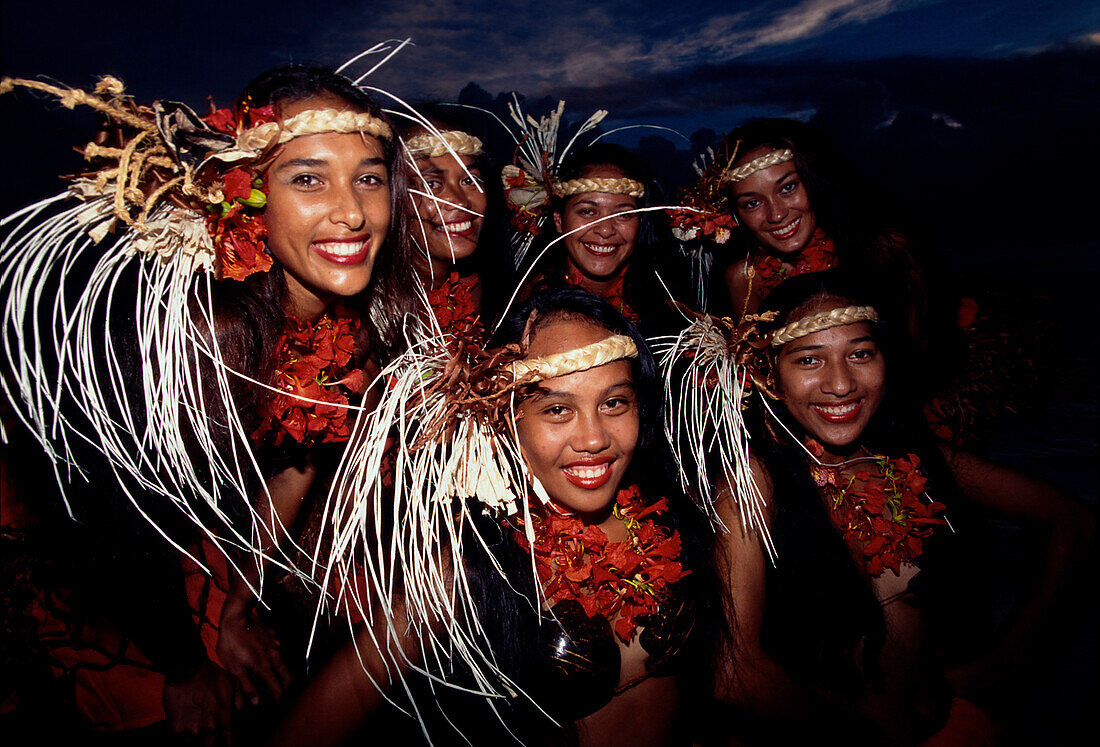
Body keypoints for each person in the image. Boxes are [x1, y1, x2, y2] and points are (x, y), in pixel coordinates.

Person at [0, 63, 422, 741]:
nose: (352, 210)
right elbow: (110, 508)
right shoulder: (212, 330)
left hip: (187, 548)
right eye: (308, 177)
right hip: (100, 559)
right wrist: (183, 668)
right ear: (249, 191)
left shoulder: (339, 317)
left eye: (368, 177)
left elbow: (298, 461)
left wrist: (239, 607)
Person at [271, 288, 719, 746]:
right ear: (506, 419)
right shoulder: (469, 562)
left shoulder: (671, 514)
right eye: (558, 409)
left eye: (613, 403)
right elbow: (321, 714)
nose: (593, 438)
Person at [694, 271, 1092, 744]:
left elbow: (1075, 520)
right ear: (769, 376)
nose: (841, 384)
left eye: (860, 354)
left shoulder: (913, 453)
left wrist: (1005, 661)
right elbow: (732, 676)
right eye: (809, 360)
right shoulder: (751, 480)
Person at [515, 143, 687, 336]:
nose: (605, 229)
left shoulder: (668, 297)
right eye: (588, 211)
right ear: (559, 220)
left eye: (623, 215)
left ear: (640, 222)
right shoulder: (533, 305)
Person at [399, 107, 512, 340]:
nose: (460, 201)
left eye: (469, 180)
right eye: (431, 184)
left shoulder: (477, 287)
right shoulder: (371, 314)